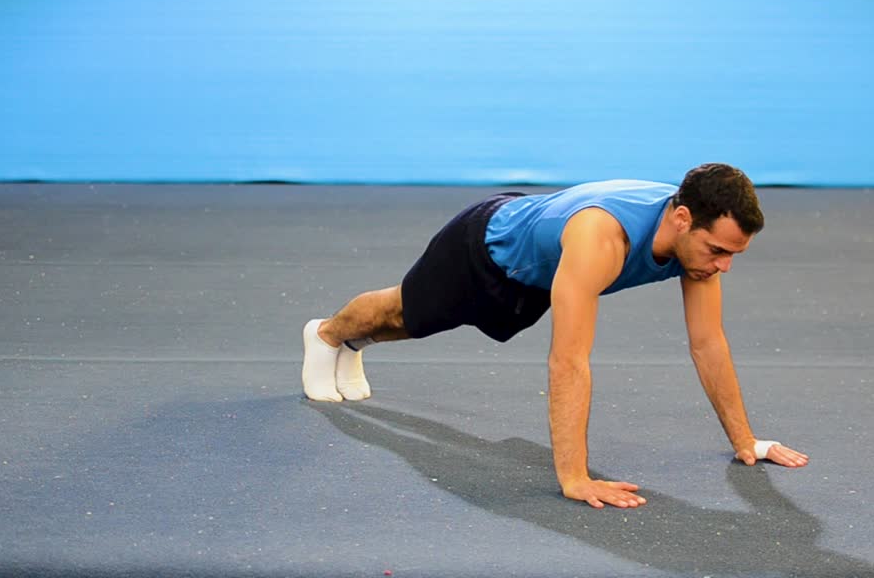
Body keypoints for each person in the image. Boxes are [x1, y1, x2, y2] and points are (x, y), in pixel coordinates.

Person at [301, 163, 809, 509]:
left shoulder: (694, 245)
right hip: (480, 249)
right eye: (718, 251)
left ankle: (353, 346)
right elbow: (568, 361)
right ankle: (327, 336)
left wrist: (746, 441)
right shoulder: (601, 238)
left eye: (733, 255)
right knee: (406, 315)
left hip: (537, 275)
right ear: (682, 219)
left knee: (421, 325)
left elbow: (707, 343)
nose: (724, 266)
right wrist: (574, 476)